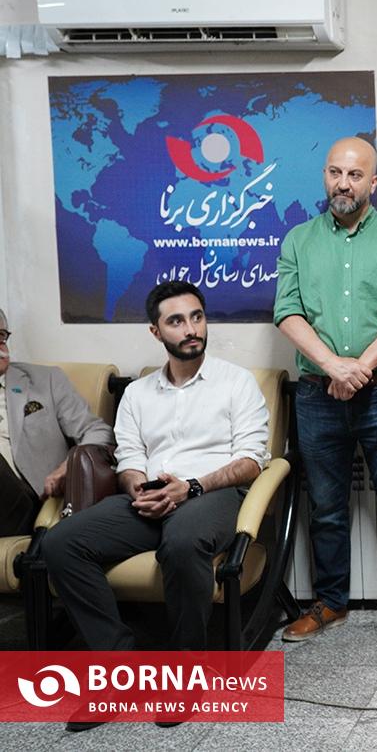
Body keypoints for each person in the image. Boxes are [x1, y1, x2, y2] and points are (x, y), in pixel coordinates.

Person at [43, 281, 269, 729]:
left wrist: (192, 487)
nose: (191, 329)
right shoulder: (138, 393)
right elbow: (129, 459)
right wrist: (138, 489)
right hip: (152, 497)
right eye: (177, 321)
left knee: (182, 541)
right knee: (61, 543)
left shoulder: (237, 382)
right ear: (155, 331)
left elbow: (251, 461)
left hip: (215, 495)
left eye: (197, 317)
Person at [274, 136, 377, 648]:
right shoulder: (298, 240)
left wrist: (359, 369)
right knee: (325, 508)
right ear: (325, 175)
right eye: (335, 173)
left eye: (355, 175)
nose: (343, 184)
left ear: (373, 182)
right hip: (317, 395)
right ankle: (330, 603)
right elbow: (287, 312)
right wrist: (332, 367)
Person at [0, 307, 114, 535]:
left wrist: (69, 466)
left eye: (1, 336)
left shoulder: (46, 380)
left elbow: (98, 431)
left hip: (31, 500)